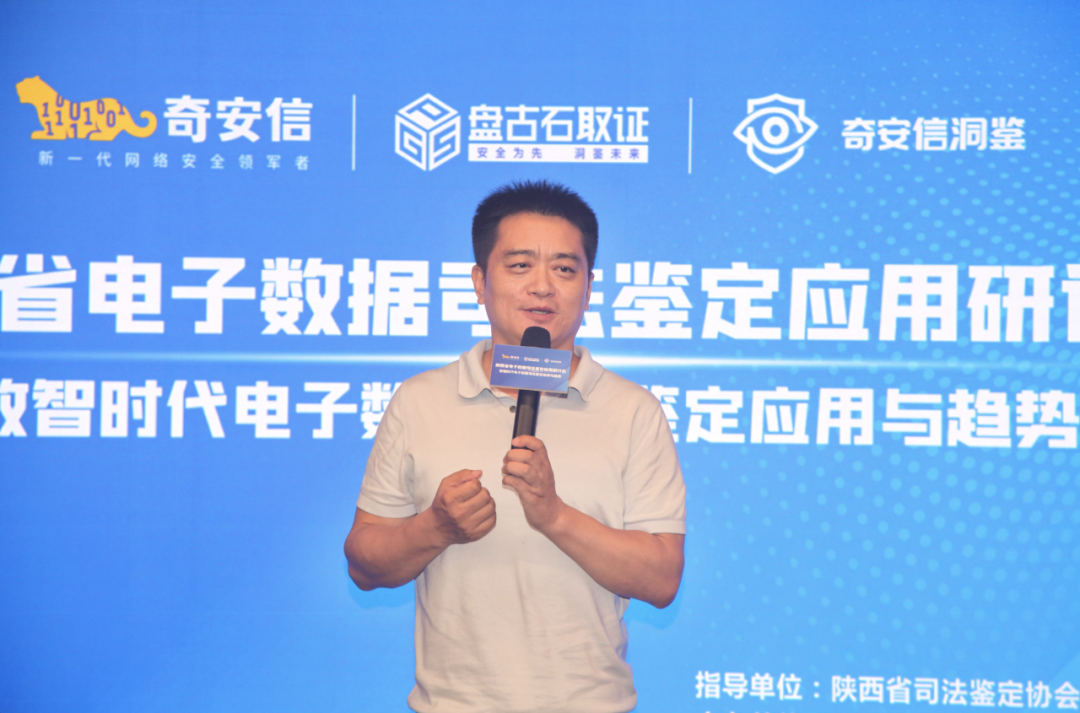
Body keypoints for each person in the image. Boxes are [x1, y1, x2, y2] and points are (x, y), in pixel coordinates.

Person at [344, 180, 686, 713]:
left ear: (589, 287)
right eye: (520, 265)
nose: (542, 287)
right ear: (480, 281)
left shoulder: (633, 410)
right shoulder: (419, 400)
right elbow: (364, 564)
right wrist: (435, 528)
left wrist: (554, 515)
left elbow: (662, 579)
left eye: (564, 269)